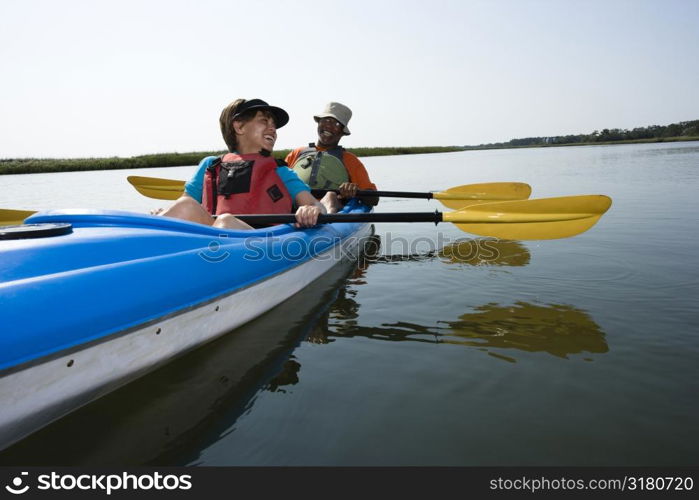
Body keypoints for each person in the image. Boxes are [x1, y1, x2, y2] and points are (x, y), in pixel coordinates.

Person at [159, 98, 325, 229]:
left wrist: (312, 209)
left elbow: (314, 204)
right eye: (264, 121)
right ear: (239, 127)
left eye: (274, 125)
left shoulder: (280, 171)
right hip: (212, 239)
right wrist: (166, 212)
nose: (272, 129)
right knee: (185, 205)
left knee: (226, 222)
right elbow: (185, 204)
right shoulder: (210, 165)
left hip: (261, 242)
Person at [285, 102, 378, 213]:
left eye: (336, 124)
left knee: (330, 196)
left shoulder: (350, 160)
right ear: (318, 123)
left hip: (329, 210)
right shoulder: (297, 153)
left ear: (343, 131)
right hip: (294, 208)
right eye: (325, 120)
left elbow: (374, 199)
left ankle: (324, 222)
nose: (329, 126)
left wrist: (355, 191)